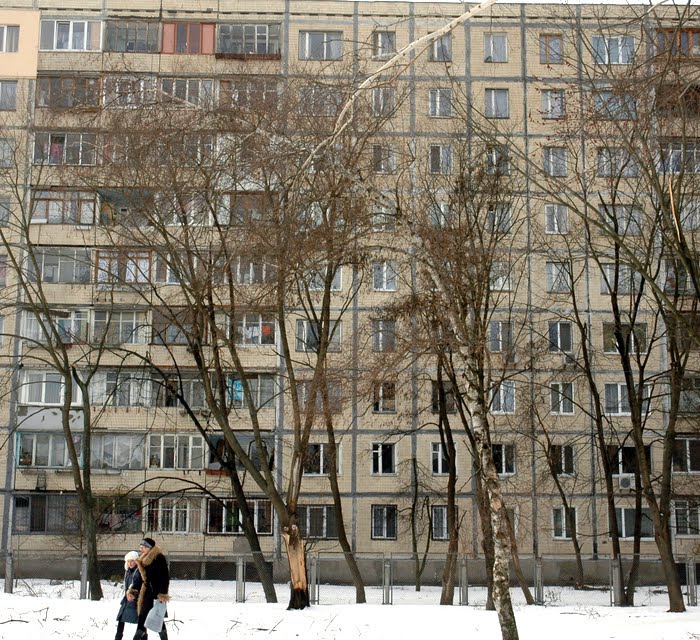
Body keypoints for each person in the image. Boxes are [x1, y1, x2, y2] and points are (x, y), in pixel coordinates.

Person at [132, 537, 170, 640]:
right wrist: (133, 590)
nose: (141, 549)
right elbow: (140, 578)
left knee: (156, 618)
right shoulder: (143, 559)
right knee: (144, 618)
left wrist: (163, 594)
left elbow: (164, 577)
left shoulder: (158, 558)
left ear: (149, 548)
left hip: (156, 594)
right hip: (145, 594)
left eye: (143, 547)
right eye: (140, 547)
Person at [115, 551, 140, 640]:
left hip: (136, 600)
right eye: (128, 561)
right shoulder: (128, 572)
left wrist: (133, 594)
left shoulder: (138, 571)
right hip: (127, 599)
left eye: (132, 561)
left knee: (141, 622)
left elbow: (138, 584)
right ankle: (118, 637)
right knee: (121, 619)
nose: (130, 563)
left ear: (136, 561)